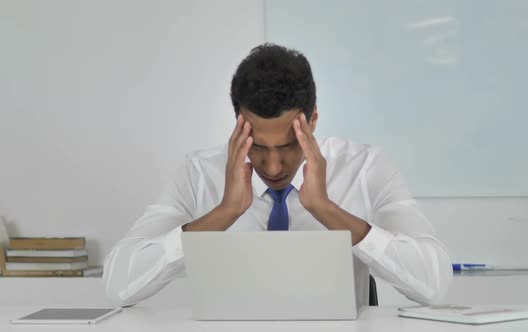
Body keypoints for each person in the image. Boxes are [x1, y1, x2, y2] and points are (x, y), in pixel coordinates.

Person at [102, 43, 452, 307]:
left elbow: (433, 285)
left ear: (312, 120)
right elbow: (118, 285)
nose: (272, 168)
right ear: (238, 122)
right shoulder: (198, 173)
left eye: (287, 146)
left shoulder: (365, 167)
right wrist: (223, 214)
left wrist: (328, 211)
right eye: (257, 146)